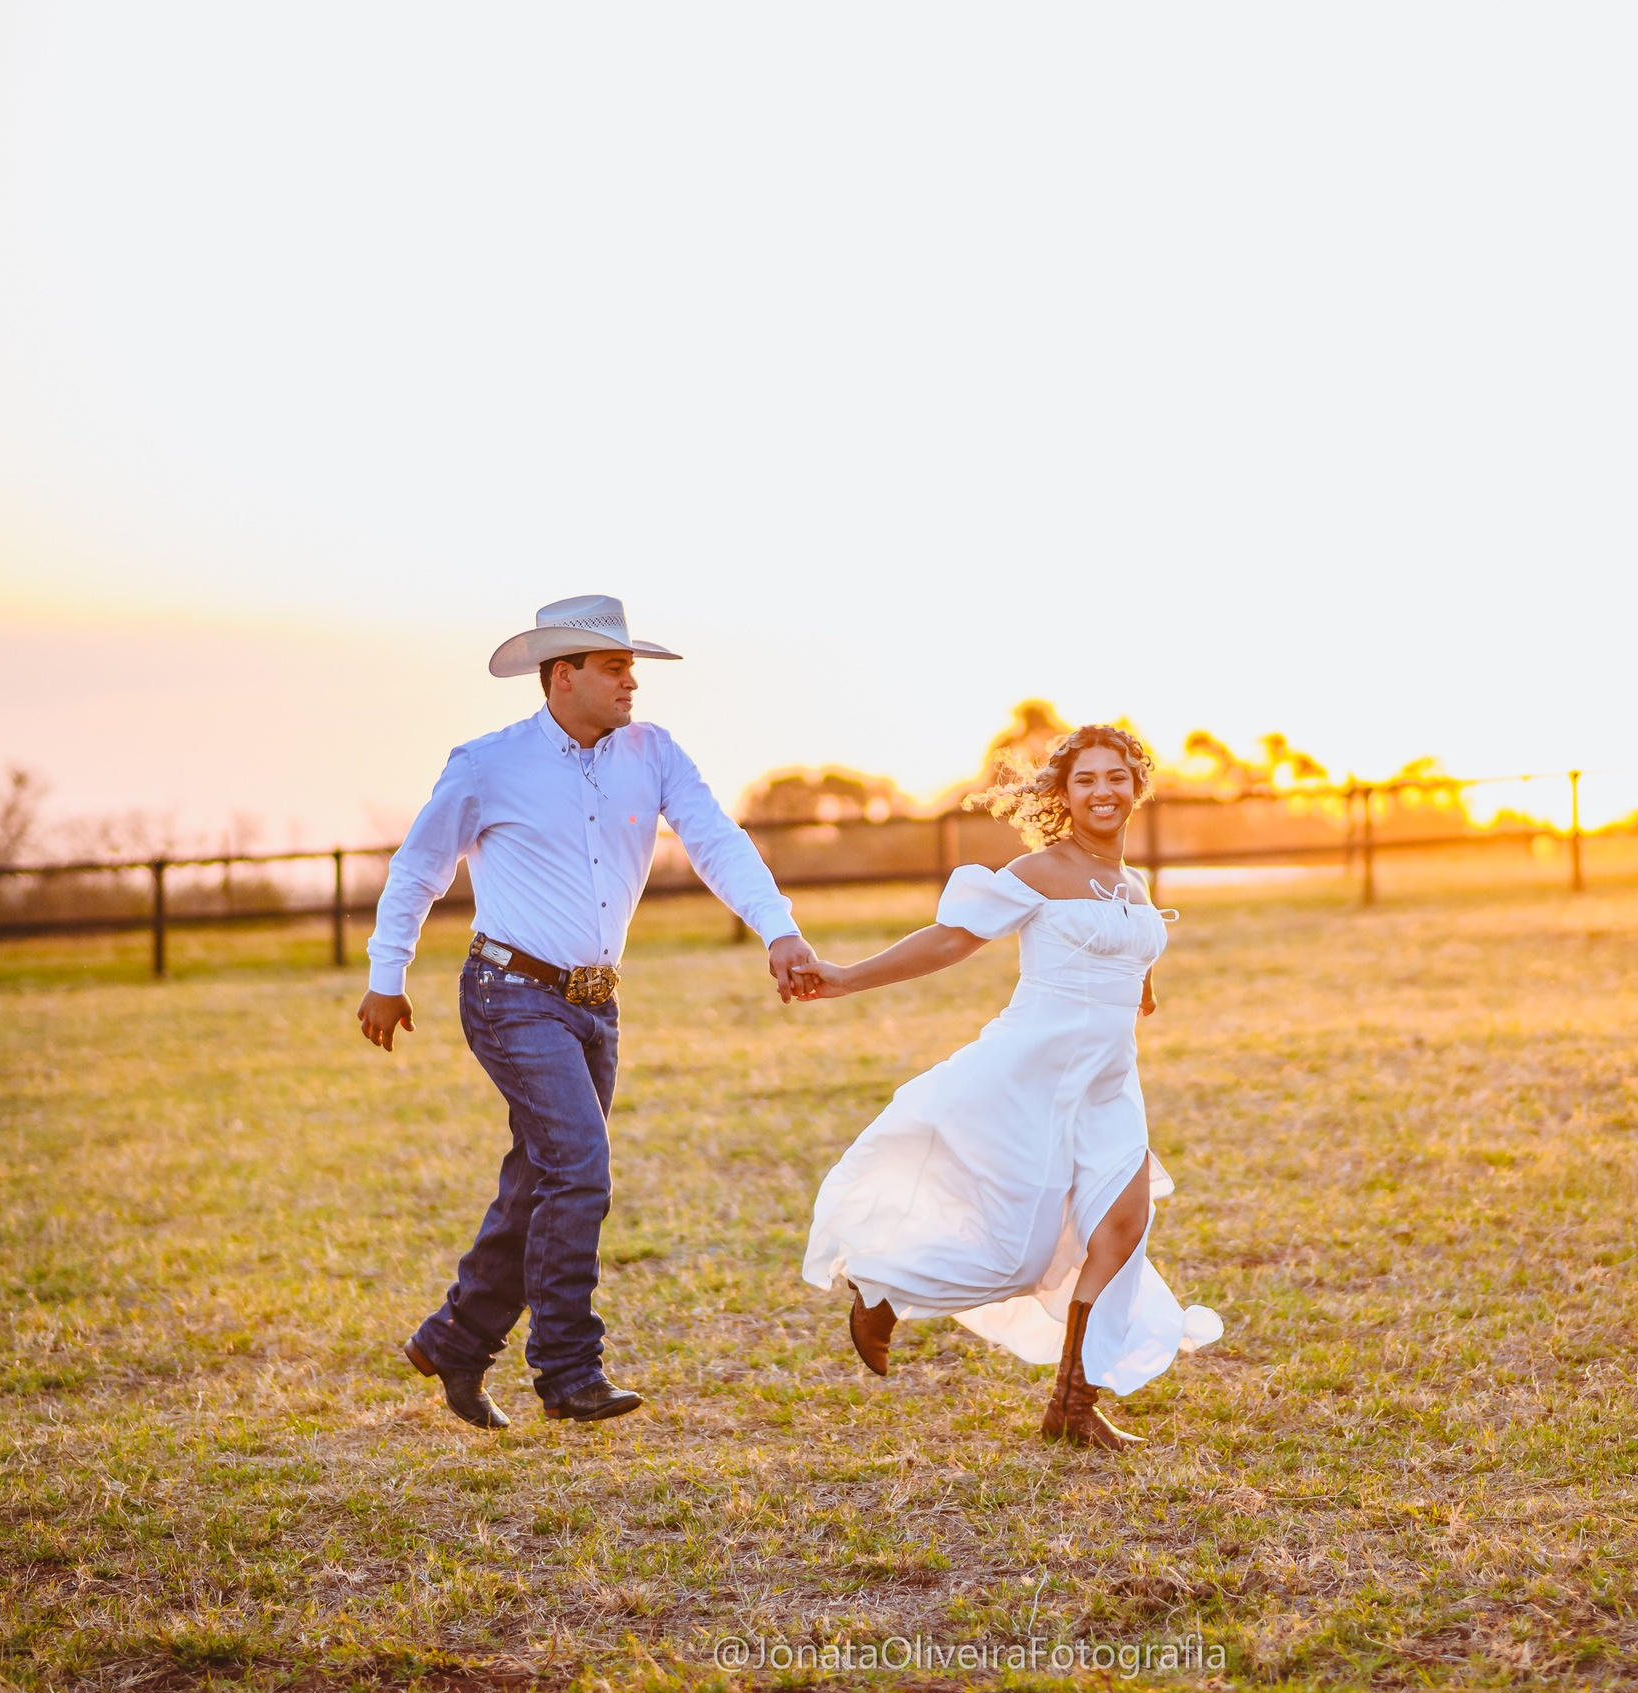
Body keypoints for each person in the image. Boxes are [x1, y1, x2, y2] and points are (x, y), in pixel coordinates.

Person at [357, 594, 821, 1430]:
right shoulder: (486, 764)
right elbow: (417, 869)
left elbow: (715, 838)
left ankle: (456, 1339)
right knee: (580, 1169)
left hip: (596, 1003)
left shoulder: (654, 752)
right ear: (562, 675)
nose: (631, 681)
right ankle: (569, 1371)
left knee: (542, 1176)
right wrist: (386, 975)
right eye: (615, 667)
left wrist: (778, 928)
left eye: (631, 666)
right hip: (509, 992)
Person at [796, 725, 1222, 1448]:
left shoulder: (1132, 884)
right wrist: (844, 976)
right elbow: (951, 939)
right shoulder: (1041, 870)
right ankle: (883, 1290)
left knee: (1123, 1227)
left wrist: (1140, 986)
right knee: (1019, 1257)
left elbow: (1125, 950)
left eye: (1116, 776)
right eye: (1085, 779)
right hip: (1032, 1075)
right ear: (1064, 793)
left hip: (1110, 1085)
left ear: (1136, 785)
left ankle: (1072, 1407)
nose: (1103, 791)